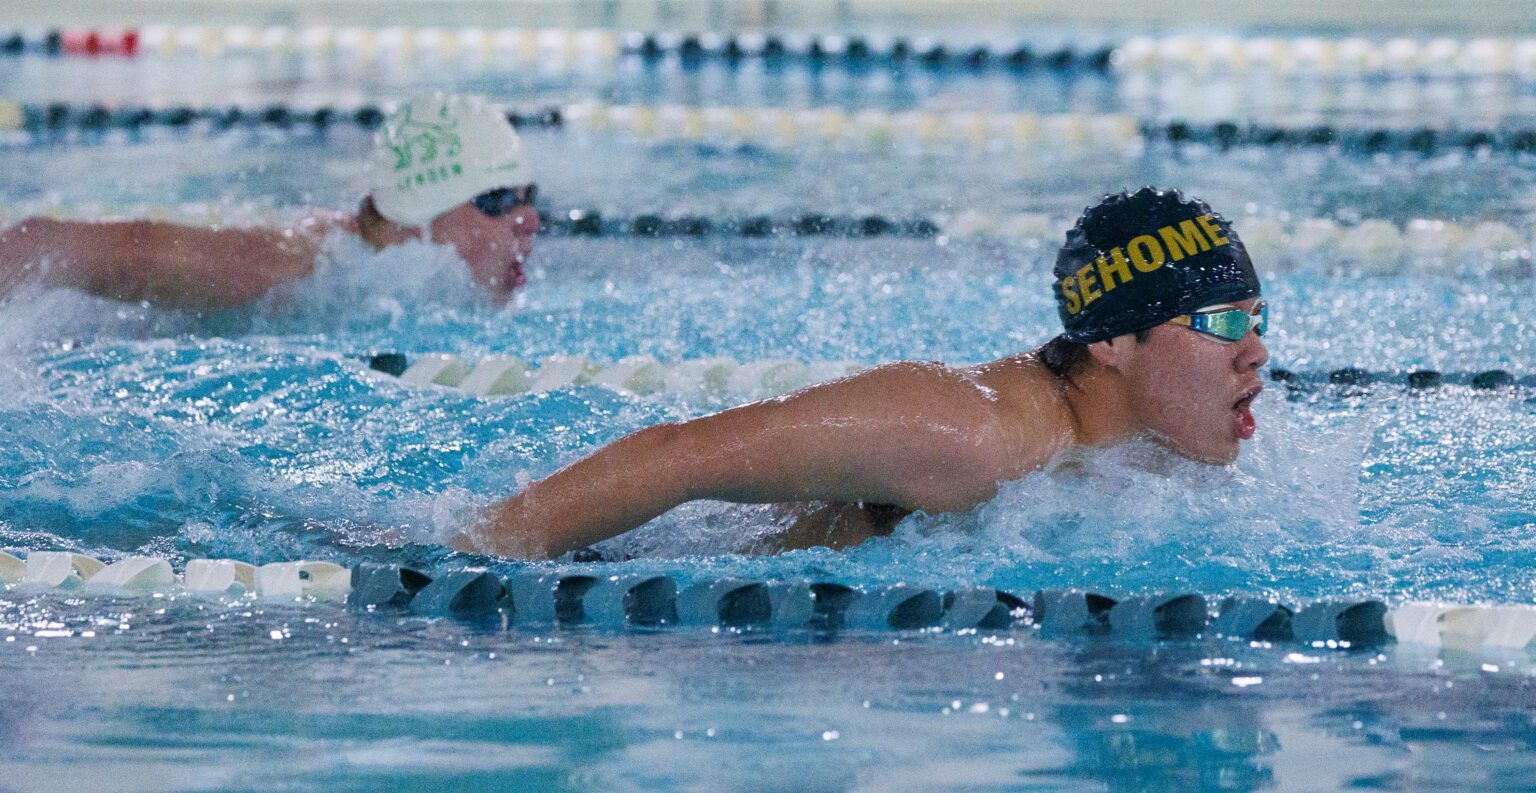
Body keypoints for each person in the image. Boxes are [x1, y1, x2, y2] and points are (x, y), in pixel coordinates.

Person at [455, 187, 1270, 559]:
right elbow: (685, 454)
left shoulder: (1143, 446)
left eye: (1258, 320)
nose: (1256, 352)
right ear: (1112, 342)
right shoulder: (969, 432)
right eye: (1225, 324)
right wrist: (474, 550)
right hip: (672, 568)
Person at [0, 93, 539, 309]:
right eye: (496, 201)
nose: (528, 221)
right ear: (416, 214)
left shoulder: (387, 285)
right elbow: (41, 243)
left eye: (526, 198)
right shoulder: (292, 267)